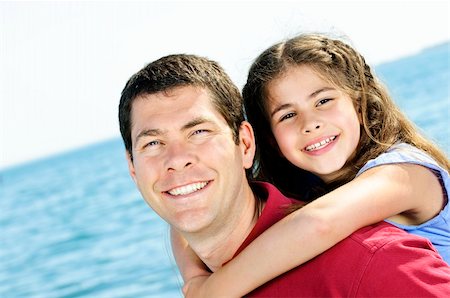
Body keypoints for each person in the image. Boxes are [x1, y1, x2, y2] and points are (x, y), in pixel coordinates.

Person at [118, 53, 450, 297]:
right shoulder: (309, 186)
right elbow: (186, 215)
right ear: (133, 169)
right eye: (153, 143)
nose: (177, 161)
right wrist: (192, 279)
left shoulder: (404, 174)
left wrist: (211, 292)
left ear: (245, 144)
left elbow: (320, 222)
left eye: (200, 132)